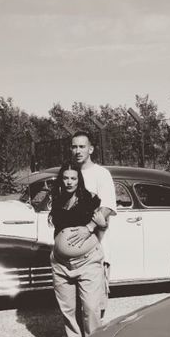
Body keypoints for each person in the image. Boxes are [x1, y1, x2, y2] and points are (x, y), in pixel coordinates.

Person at [48, 163, 107, 337]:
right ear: (61, 179)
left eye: (73, 178)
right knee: (68, 308)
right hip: (61, 263)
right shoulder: (58, 199)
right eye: (66, 178)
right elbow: (58, 228)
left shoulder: (89, 199)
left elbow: (102, 222)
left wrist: (93, 229)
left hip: (87, 261)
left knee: (90, 307)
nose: (69, 182)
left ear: (79, 180)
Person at [68, 131, 117, 316]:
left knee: (94, 303)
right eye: (74, 146)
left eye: (82, 146)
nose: (78, 150)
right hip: (73, 247)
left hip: (96, 245)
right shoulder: (70, 174)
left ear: (91, 149)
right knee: (73, 299)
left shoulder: (101, 174)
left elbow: (106, 207)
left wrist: (88, 228)